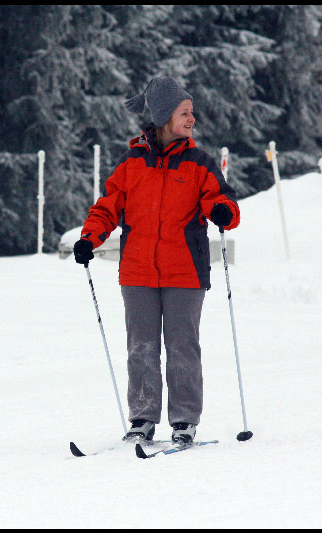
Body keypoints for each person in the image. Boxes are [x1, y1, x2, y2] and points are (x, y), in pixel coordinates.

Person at [73, 76, 240, 444]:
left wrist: (223, 211)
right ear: (165, 116)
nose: (192, 119)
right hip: (138, 272)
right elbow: (108, 207)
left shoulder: (199, 163)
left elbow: (220, 199)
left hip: (185, 272)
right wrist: (89, 238)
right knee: (141, 348)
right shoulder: (131, 163)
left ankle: (184, 421)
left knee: (182, 347)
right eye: (185, 113)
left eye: (191, 113)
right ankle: (142, 418)